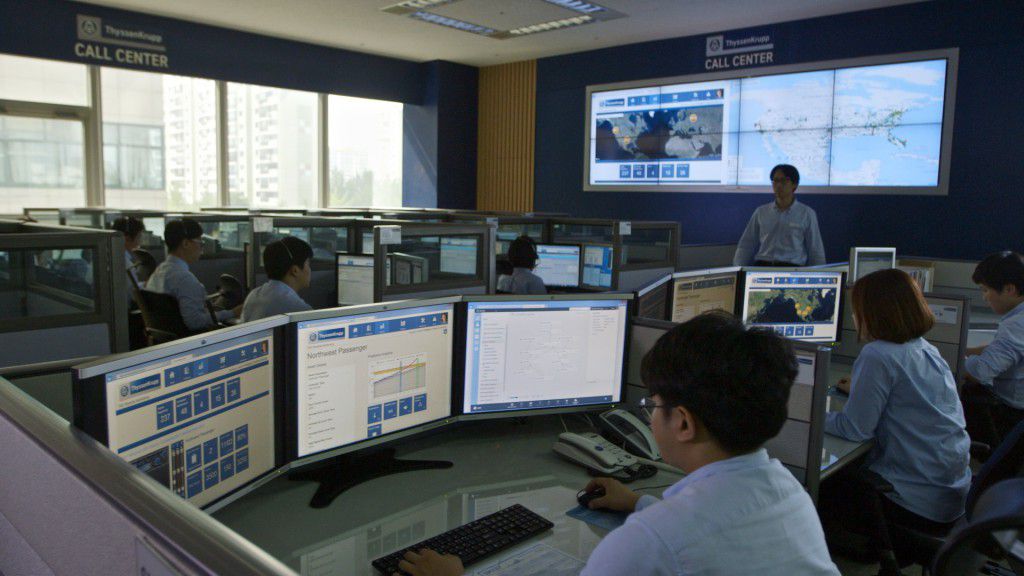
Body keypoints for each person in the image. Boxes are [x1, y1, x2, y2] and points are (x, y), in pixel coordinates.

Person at [396, 313, 839, 576]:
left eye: (653, 403)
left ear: (682, 423)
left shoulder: (650, 542)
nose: (649, 413)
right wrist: (638, 504)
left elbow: (673, 543)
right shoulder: (787, 492)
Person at [822, 269, 971, 551]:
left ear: (874, 314)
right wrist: (862, 391)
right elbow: (910, 397)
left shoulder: (878, 354)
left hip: (915, 502)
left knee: (826, 483)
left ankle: (863, 550)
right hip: (951, 495)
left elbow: (854, 429)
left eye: (856, 310)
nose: (854, 318)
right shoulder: (925, 348)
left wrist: (807, 415)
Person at [962, 251, 1024, 446]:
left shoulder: (1016, 324)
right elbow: (1003, 350)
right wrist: (967, 350)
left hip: (1010, 416)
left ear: (1009, 289)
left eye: (985, 290)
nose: (984, 298)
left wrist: (951, 360)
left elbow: (980, 372)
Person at [147, 218, 240, 331]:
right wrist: (233, 313)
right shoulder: (185, 279)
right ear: (186, 243)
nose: (202, 248)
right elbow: (196, 322)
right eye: (201, 243)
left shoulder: (159, 272)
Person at [733, 164, 826, 267]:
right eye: (775, 181)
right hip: (763, 266)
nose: (778, 185)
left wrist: (819, 276)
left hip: (792, 269)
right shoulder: (761, 212)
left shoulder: (807, 213)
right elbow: (746, 244)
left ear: (794, 184)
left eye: (784, 181)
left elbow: (815, 250)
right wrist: (738, 269)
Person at [240, 237, 313, 322]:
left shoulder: (253, 295)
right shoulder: (299, 309)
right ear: (295, 270)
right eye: (308, 264)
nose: (310, 269)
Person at [110, 215, 146, 285]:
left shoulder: (103, 255)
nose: (140, 242)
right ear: (127, 239)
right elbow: (132, 292)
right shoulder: (125, 264)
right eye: (139, 237)